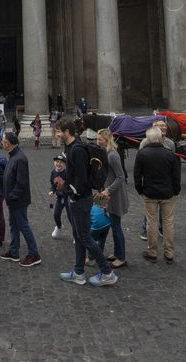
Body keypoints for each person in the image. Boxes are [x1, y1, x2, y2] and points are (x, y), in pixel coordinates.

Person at [56, 118, 117, 286]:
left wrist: (67, 189)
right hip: (75, 199)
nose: (57, 134)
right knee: (79, 236)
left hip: (81, 199)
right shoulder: (69, 147)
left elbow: (81, 180)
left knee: (85, 237)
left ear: (67, 132)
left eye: (59, 131)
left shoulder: (77, 150)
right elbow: (73, 174)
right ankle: (78, 272)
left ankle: (107, 272)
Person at [133, 126, 181, 264]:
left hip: (150, 193)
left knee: (151, 223)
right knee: (168, 223)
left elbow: (137, 175)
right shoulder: (169, 154)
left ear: (148, 138)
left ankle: (152, 252)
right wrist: (176, 190)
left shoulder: (142, 154)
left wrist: (140, 189)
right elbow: (176, 176)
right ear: (160, 138)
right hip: (167, 193)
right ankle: (169, 253)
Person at [0, 131, 41, 266]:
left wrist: (12, 196)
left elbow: (21, 182)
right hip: (13, 200)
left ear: (9, 143)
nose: (2, 143)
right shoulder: (13, 156)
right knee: (14, 225)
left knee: (23, 226)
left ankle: (34, 254)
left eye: (3, 141)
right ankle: (14, 251)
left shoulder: (19, 158)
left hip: (18, 200)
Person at [94, 129, 128, 268]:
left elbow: (121, 177)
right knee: (100, 221)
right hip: (104, 194)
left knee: (115, 226)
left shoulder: (113, 155)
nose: (97, 142)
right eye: (97, 139)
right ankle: (116, 253)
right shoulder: (104, 153)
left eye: (100, 139)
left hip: (113, 196)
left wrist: (107, 190)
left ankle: (121, 257)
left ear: (107, 140)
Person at [49, 154, 69, 237]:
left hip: (68, 198)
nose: (58, 164)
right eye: (57, 162)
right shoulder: (53, 172)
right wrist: (52, 191)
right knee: (56, 214)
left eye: (61, 162)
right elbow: (53, 184)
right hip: (60, 197)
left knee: (71, 217)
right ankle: (59, 227)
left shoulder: (67, 173)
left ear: (65, 164)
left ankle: (76, 235)